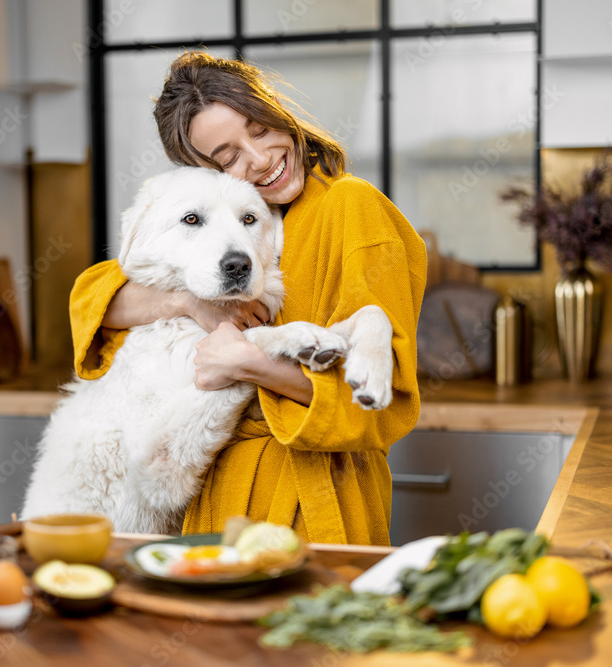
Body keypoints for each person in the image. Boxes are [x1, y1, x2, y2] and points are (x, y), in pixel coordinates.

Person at [69, 52, 427, 546]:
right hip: (214, 499)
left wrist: (247, 365)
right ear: (206, 173)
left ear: (278, 110)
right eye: (228, 157)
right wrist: (189, 303)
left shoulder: (353, 207)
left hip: (312, 504)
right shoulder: (241, 225)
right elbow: (96, 296)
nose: (258, 160)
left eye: (259, 130)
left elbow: (377, 408)